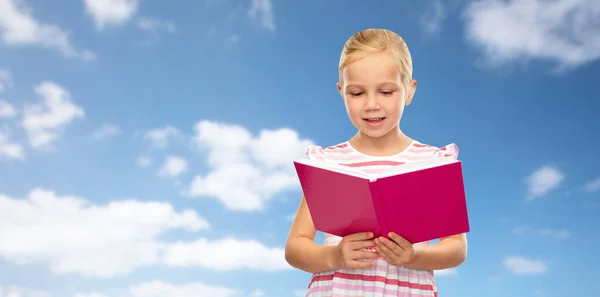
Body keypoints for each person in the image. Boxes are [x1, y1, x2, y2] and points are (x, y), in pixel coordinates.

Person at [284, 28, 468, 297]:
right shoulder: (328, 162)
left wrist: (415, 256)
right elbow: (295, 247)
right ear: (341, 92)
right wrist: (334, 256)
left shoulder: (432, 163)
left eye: (385, 91)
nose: (371, 104)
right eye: (357, 93)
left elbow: (456, 248)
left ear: (409, 91)